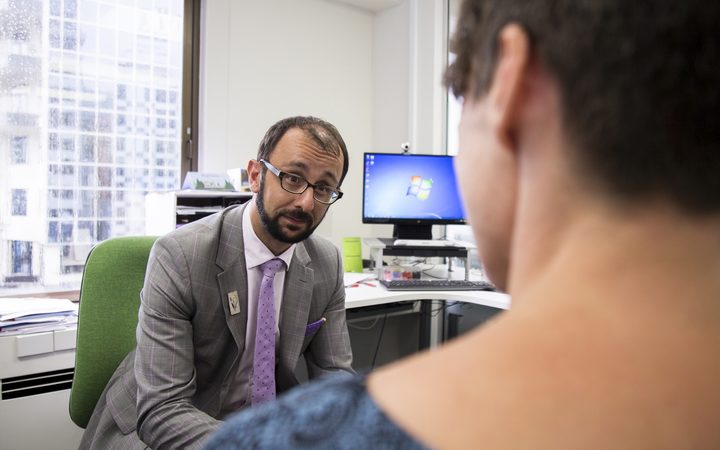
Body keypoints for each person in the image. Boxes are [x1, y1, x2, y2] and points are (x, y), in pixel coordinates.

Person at [204, 0, 720, 448]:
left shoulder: (289, 438)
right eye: (293, 179)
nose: (308, 199)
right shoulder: (188, 253)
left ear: (511, 88)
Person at [80, 116, 355, 449]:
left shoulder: (326, 262)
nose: (306, 202)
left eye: (323, 188)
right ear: (256, 175)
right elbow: (162, 410)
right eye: (293, 179)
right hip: (160, 429)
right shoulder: (180, 255)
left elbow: (335, 377)